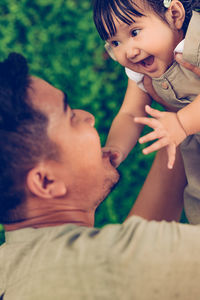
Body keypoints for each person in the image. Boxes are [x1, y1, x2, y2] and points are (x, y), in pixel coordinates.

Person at [0, 52, 200, 300]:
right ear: (46, 182)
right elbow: (127, 258)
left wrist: (180, 117)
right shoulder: (108, 265)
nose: (88, 116)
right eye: (71, 117)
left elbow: (134, 243)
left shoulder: (13, 265)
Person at [93, 0, 200, 224]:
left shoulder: (196, 41)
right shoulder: (141, 72)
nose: (129, 51)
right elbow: (131, 113)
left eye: (135, 32)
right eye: (115, 42)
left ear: (174, 15)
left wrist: (182, 123)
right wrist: (114, 149)